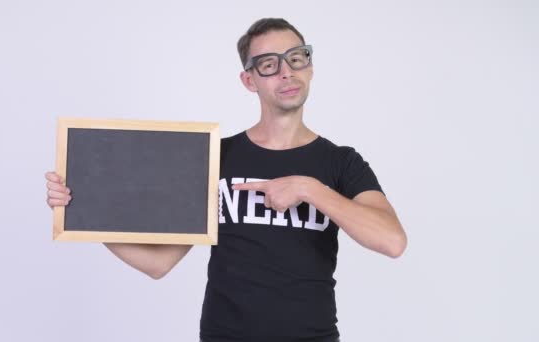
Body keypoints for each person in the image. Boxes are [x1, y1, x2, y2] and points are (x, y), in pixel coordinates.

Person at [45, 18, 407, 342]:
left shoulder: (340, 162)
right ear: (249, 80)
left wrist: (307, 188)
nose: (286, 72)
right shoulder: (216, 157)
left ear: (310, 67)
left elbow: (392, 241)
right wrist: (83, 212)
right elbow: (160, 263)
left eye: (296, 58)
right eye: (269, 64)